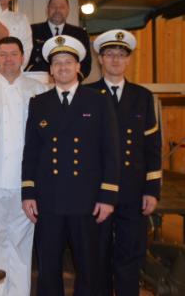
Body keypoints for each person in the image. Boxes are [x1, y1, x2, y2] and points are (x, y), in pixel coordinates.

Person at [21, 35, 120, 296]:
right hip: (49, 201)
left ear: (78, 67)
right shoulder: (39, 103)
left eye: (68, 61)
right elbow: (30, 151)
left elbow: (111, 151)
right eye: (57, 63)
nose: (62, 67)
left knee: (89, 268)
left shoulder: (98, 100)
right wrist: (28, 193)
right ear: (51, 70)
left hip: (86, 202)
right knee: (48, 267)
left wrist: (108, 196)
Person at [0, 37, 47, 296]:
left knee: (22, 244)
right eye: (3, 54)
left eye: (13, 54)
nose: (8, 59)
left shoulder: (38, 90)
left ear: (23, 58)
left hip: (24, 183)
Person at [88, 29, 161, 296]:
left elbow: (153, 147)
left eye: (121, 55)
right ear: (100, 60)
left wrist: (152, 191)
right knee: (98, 255)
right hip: (97, 192)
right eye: (109, 54)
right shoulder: (88, 94)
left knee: (130, 255)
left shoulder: (142, 96)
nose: (116, 60)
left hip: (133, 191)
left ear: (128, 60)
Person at [26, 0, 91, 79]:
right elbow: (25, 60)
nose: (57, 10)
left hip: (69, 84)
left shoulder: (79, 34)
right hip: (39, 82)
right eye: (53, 7)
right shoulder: (31, 31)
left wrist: (70, 80)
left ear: (68, 10)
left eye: (62, 7)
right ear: (47, 10)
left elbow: (85, 64)